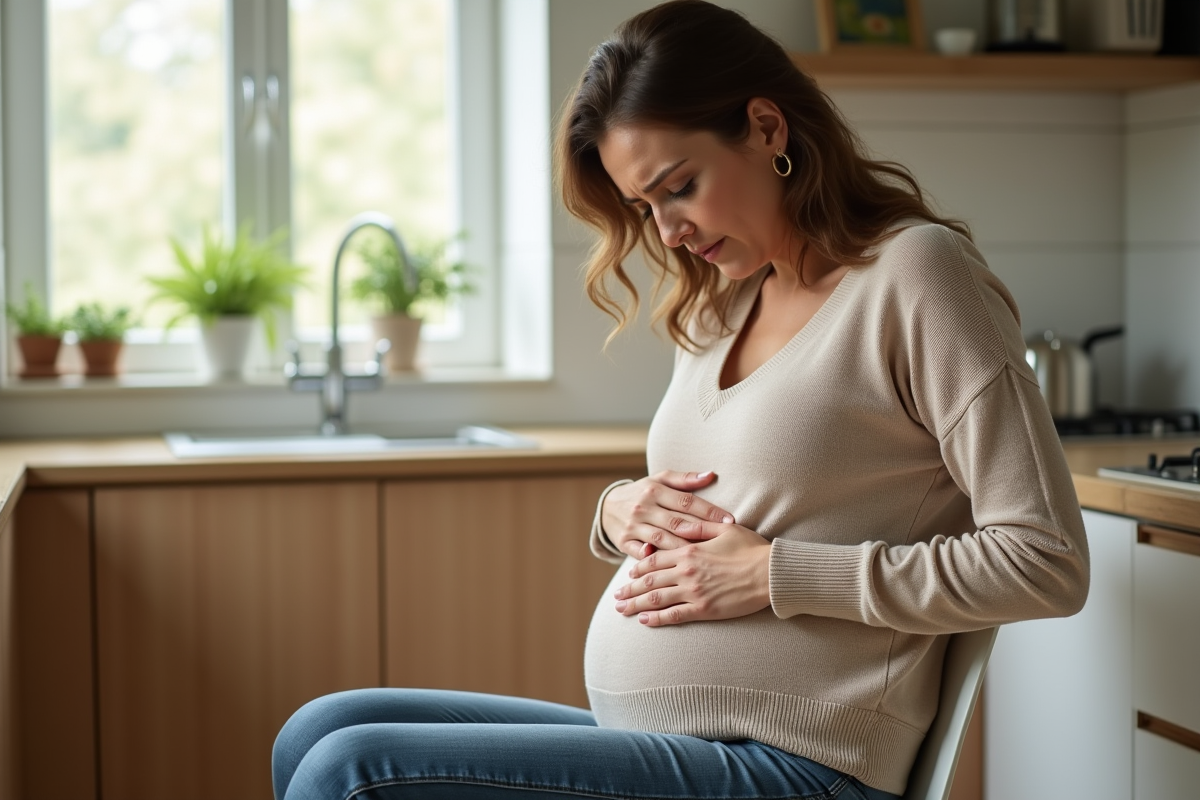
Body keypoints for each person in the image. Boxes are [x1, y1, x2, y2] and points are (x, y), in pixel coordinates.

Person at [271, 2, 1090, 798]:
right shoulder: (719, 303)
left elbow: (1045, 561)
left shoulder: (917, 275)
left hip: (803, 766)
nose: (666, 232)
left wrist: (778, 575)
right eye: (644, 207)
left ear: (767, 128)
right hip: (670, 745)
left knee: (351, 772)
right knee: (319, 729)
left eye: (680, 187)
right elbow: (723, 489)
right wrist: (618, 509)